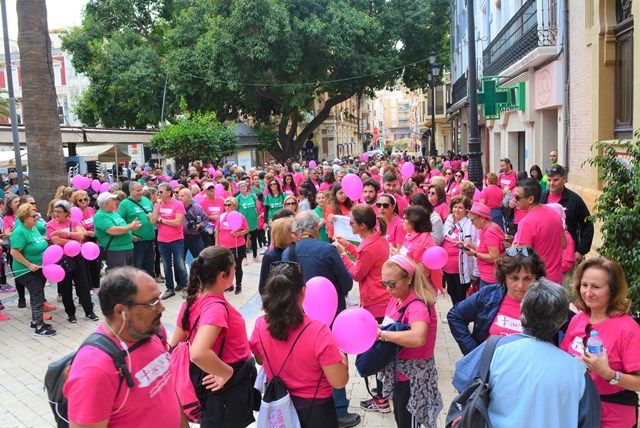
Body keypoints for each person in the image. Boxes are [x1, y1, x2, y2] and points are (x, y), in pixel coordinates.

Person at [453, 278, 601, 427]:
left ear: (522, 311)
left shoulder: (495, 348)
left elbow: (462, 379)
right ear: (563, 321)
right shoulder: (577, 370)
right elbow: (589, 421)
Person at [64, 267, 184, 427]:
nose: (161, 308)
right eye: (152, 303)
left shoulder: (154, 331)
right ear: (121, 311)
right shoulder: (94, 369)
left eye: (159, 299)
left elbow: (167, 387)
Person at [281, 211, 359, 428]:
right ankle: (340, 410)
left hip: (298, 316)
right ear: (316, 228)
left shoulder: (289, 252)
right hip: (331, 317)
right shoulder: (327, 250)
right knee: (333, 357)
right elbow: (346, 283)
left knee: (307, 359)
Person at [249, 262, 349, 427]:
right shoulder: (318, 331)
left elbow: (260, 360)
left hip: (279, 410)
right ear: (303, 292)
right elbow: (339, 381)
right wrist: (342, 356)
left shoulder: (260, 325)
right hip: (316, 413)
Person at [170, 247, 257, 428]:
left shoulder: (194, 300)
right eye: (234, 269)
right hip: (225, 387)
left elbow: (175, 345)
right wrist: (227, 373)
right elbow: (198, 353)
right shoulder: (215, 308)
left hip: (213, 380)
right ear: (222, 276)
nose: (236, 271)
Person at [560, 257, 640, 427]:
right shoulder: (578, 320)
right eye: (584, 285)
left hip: (612, 417)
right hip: (576, 412)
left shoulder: (629, 329)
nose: (588, 293)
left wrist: (609, 374)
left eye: (596, 287)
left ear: (613, 290)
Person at [374, 255, 442, 427]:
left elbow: (418, 337)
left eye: (392, 283)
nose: (388, 288)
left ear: (409, 279)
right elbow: (392, 325)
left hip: (412, 381)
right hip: (400, 376)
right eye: (384, 283)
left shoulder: (417, 305)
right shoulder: (397, 298)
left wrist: (382, 335)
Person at [447, 250, 547, 355]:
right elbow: (455, 316)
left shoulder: (547, 302)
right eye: (514, 278)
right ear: (504, 277)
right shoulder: (489, 295)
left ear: (537, 278)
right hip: (490, 368)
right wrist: (473, 353)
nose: (520, 285)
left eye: (527, 278)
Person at [334, 205, 390, 319]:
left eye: (352, 222)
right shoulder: (378, 237)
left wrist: (343, 255)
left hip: (375, 301)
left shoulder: (368, 247)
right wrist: (346, 244)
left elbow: (356, 275)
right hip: (382, 297)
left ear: (362, 226)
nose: (350, 225)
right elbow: (364, 259)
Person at [47, 200, 99, 323]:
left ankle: (89, 311)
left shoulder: (74, 222)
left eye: (59, 212)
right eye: (55, 211)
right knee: (66, 287)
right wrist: (72, 240)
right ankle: (70, 313)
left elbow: (82, 236)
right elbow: (55, 241)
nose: (56, 214)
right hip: (62, 258)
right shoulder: (51, 224)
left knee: (83, 284)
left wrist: (65, 233)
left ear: (67, 213)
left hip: (77, 256)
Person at [10, 203, 55, 335]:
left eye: (37, 215)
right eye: (33, 216)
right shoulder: (19, 232)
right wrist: (29, 265)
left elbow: (33, 240)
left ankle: (36, 320)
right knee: (38, 295)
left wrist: (44, 239)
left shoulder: (32, 228)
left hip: (39, 268)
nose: (37, 218)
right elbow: (14, 252)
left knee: (36, 294)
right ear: (24, 218)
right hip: (26, 270)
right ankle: (40, 327)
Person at [512, 178, 565, 284]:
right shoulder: (554, 213)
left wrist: (512, 250)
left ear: (530, 199)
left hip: (539, 284)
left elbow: (523, 260)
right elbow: (563, 244)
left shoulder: (526, 223)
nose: (514, 199)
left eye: (517, 197)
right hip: (556, 280)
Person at [541, 165, 594, 266]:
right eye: (549, 180)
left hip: (568, 256)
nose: (551, 183)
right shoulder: (541, 197)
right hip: (545, 255)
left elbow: (587, 224)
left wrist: (581, 251)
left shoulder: (574, 200)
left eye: (555, 180)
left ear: (564, 179)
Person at [151, 182, 188, 300]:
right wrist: (157, 206)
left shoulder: (178, 204)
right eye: (158, 191)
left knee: (180, 265)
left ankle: (185, 287)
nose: (159, 193)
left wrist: (161, 220)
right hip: (162, 240)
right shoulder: (159, 204)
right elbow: (153, 221)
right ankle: (169, 288)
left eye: (161, 191)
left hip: (176, 240)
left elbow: (177, 222)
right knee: (166, 266)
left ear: (169, 192)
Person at [442, 196, 477, 305]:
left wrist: (475, 272)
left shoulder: (471, 224)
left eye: (460, 207)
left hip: (462, 269)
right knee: (451, 292)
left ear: (467, 210)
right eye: (455, 207)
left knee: (461, 295)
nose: (456, 210)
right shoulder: (449, 219)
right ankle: (455, 314)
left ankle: (460, 318)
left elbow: (475, 244)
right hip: (447, 267)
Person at [461, 202, 505, 288]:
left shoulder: (490, 231)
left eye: (473, 220)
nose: (472, 223)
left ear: (482, 218)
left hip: (491, 278)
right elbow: (484, 249)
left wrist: (475, 254)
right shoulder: (484, 229)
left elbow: (494, 257)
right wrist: (469, 245)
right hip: (487, 276)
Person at [93, 193, 141, 270]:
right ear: (107, 203)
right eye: (113, 200)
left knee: (128, 277)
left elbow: (121, 226)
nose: (115, 201)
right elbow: (112, 230)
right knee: (119, 278)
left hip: (126, 249)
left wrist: (130, 236)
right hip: (115, 251)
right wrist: (130, 227)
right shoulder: (100, 216)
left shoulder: (113, 213)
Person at [117, 182, 156, 277]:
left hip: (150, 240)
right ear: (130, 191)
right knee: (138, 266)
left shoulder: (146, 200)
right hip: (137, 241)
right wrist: (130, 235)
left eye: (141, 190)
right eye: (137, 191)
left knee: (150, 266)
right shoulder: (124, 204)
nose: (140, 192)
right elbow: (119, 222)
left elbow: (153, 215)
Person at [216, 197, 249, 294]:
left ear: (234, 205)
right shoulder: (222, 216)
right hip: (223, 247)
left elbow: (246, 230)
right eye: (225, 205)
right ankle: (229, 285)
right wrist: (216, 243)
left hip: (237, 246)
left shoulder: (240, 216)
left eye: (229, 205)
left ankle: (238, 284)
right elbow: (217, 230)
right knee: (225, 267)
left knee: (237, 266)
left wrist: (238, 233)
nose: (226, 207)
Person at [258, 216, 295, 296]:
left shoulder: (293, 250)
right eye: (292, 232)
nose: (296, 234)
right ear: (284, 235)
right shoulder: (270, 256)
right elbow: (263, 286)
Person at [236, 181, 261, 262]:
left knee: (254, 239)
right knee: (243, 240)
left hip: (253, 221)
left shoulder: (252, 196)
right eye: (241, 186)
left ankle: (255, 255)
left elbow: (256, 207)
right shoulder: (238, 198)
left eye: (245, 186)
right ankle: (244, 257)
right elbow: (236, 211)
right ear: (239, 189)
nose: (243, 187)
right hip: (243, 223)